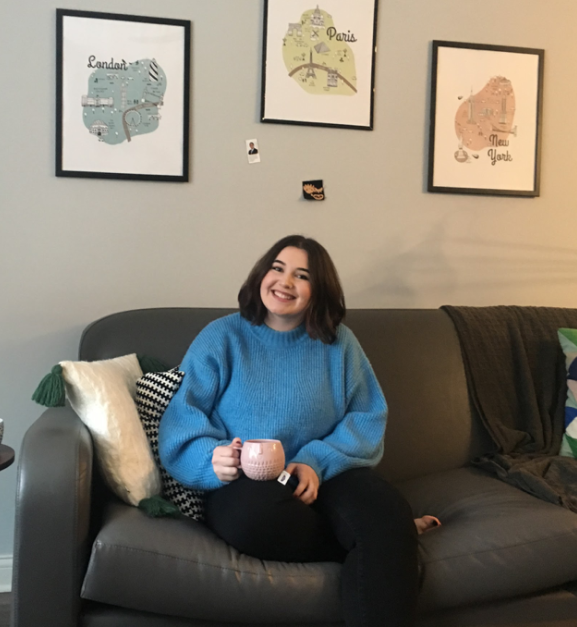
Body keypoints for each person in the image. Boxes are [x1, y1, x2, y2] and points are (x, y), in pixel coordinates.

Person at [159, 234, 437, 626]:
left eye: (301, 276)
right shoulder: (221, 336)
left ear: (318, 290)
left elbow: (366, 416)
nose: (285, 282)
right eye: (277, 269)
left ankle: (387, 534)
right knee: (257, 522)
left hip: (326, 473)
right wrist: (210, 459)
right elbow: (181, 418)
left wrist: (315, 461)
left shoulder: (340, 343)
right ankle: (389, 541)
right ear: (262, 275)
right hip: (248, 482)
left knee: (384, 509)